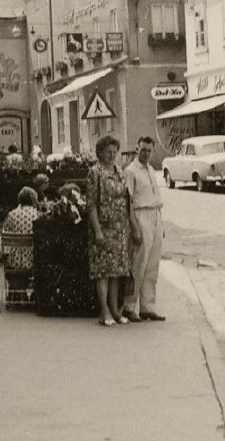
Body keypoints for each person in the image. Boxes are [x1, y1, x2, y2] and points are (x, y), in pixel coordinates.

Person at [86, 135, 142, 327]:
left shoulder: (119, 171)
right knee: (103, 272)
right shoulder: (95, 172)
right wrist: (97, 231)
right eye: (108, 152)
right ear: (99, 153)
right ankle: (104, 311)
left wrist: (133, 226)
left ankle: (115, 310)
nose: (111, 155)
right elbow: (91, 204)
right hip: (103, 228)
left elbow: (127, 201)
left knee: (116, 271)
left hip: (119, 229)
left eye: (114, 152)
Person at [121, 137, 166, 322]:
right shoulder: (130, 171)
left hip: (155, 215)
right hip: (141, 216)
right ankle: (129, 306)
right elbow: (127, 201)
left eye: (149, 150)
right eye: (143, 150)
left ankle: (148, 306)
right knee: (138, 264)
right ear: (136, 149)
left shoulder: (151, 170)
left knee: (152, 264)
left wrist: (160, 224)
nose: (146, 154)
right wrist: (135, 227)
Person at [2, 187, 39, 269]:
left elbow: (5, 231)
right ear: (34, 200)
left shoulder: (12, 214)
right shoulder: (37, 214)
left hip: (14, 260)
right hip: (33, 259)